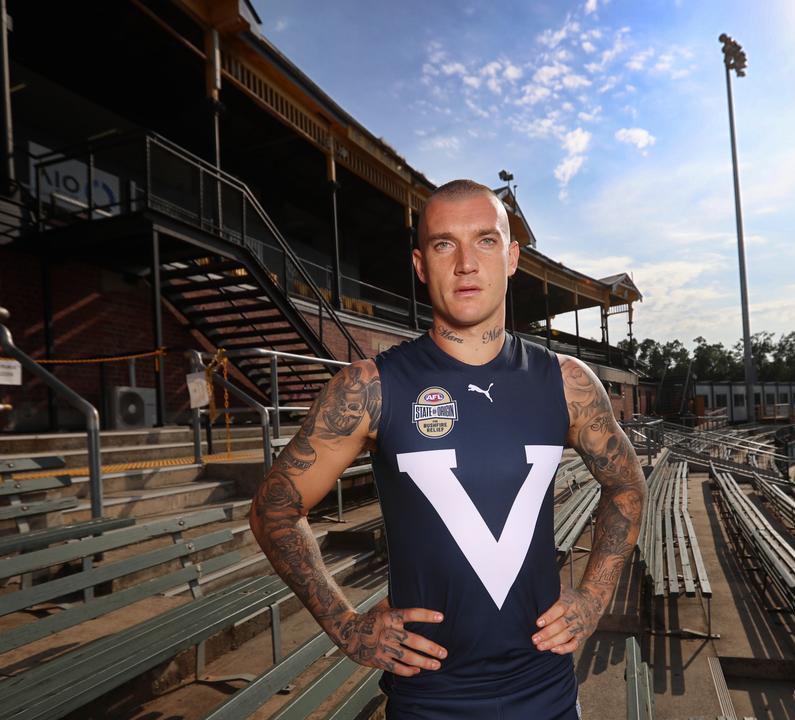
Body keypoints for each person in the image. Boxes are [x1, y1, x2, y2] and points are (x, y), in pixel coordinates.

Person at [250, 179, 645, 719]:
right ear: (419, 264)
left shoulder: (566, 382)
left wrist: (594, 597)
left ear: (511, 258)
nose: (464, 263)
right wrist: (346, 626)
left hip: (547, 693)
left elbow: (626, 484)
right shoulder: (369, 387)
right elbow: (273, 509)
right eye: (443, 244)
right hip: (429, 701)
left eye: (484, 241)